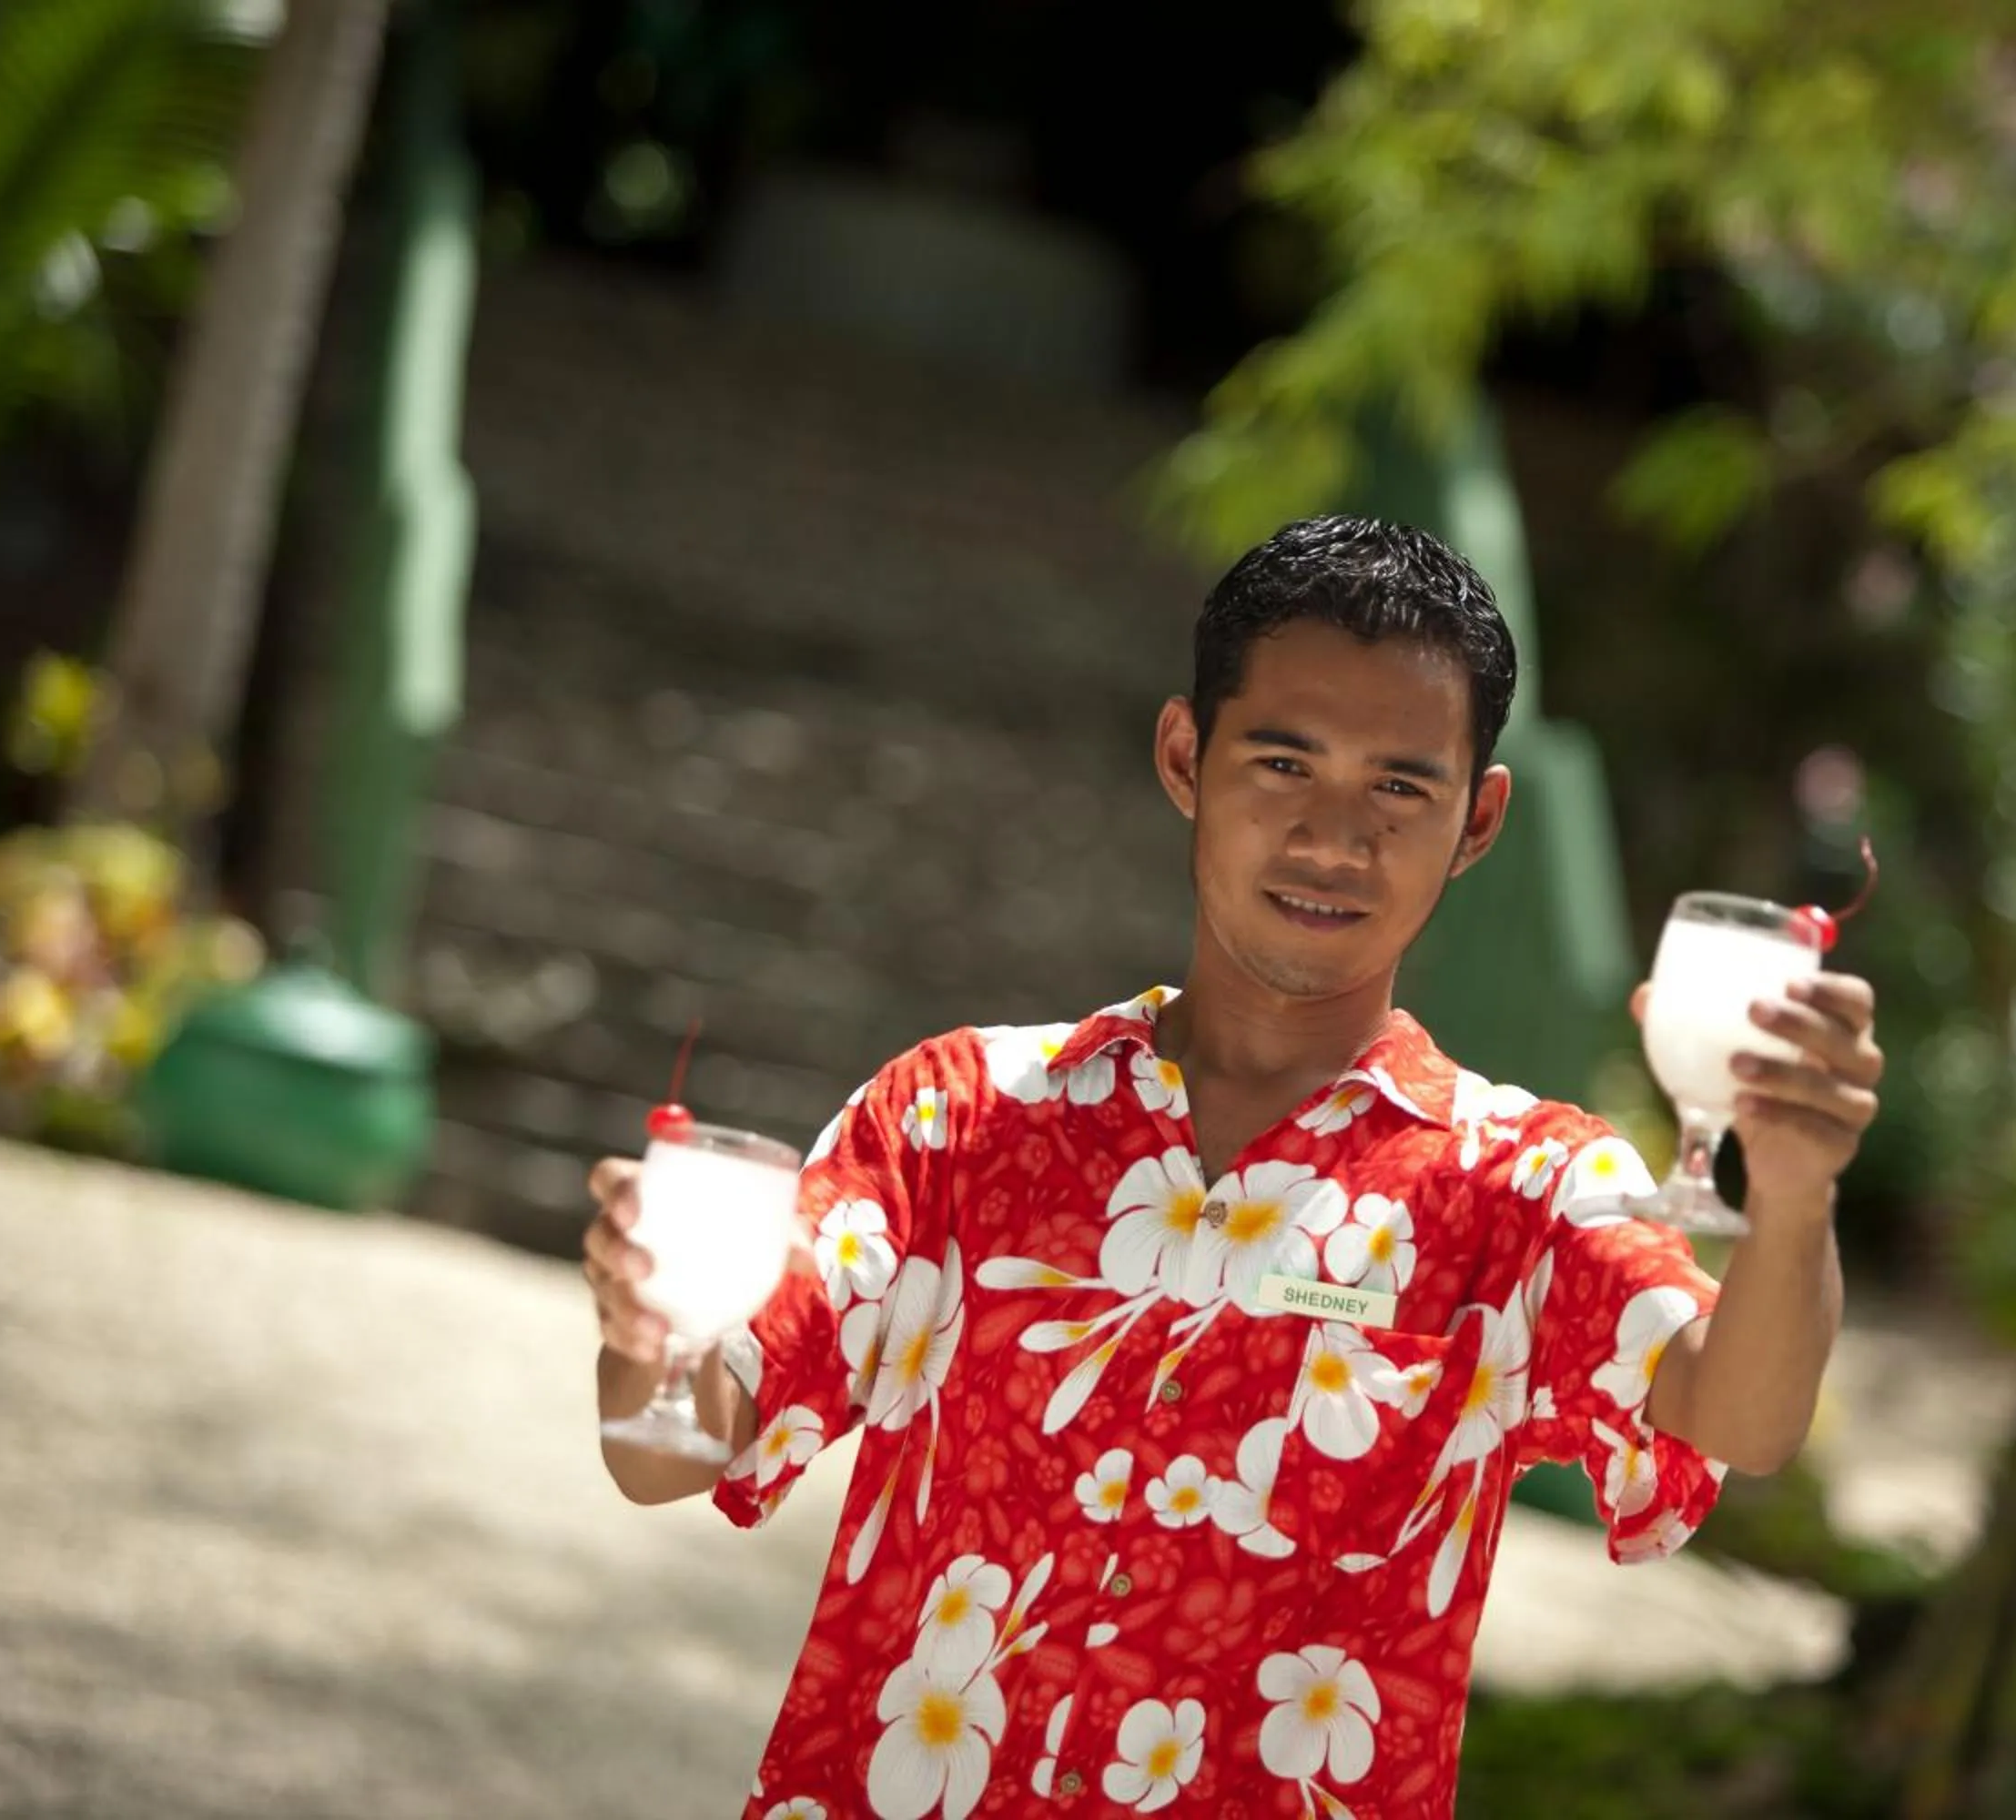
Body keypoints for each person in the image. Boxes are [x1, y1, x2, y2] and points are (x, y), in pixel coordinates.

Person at [582, 515, 1879, 1819]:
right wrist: (645, 1328)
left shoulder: (1522, 1188)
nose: (1335, 838)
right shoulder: (953, 1118)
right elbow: (666, 1454)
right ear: (1184, 757)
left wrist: (1796, 1190)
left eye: (1399, 788)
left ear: (1479, 820)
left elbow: (1743, 1418)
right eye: (1283, 762)